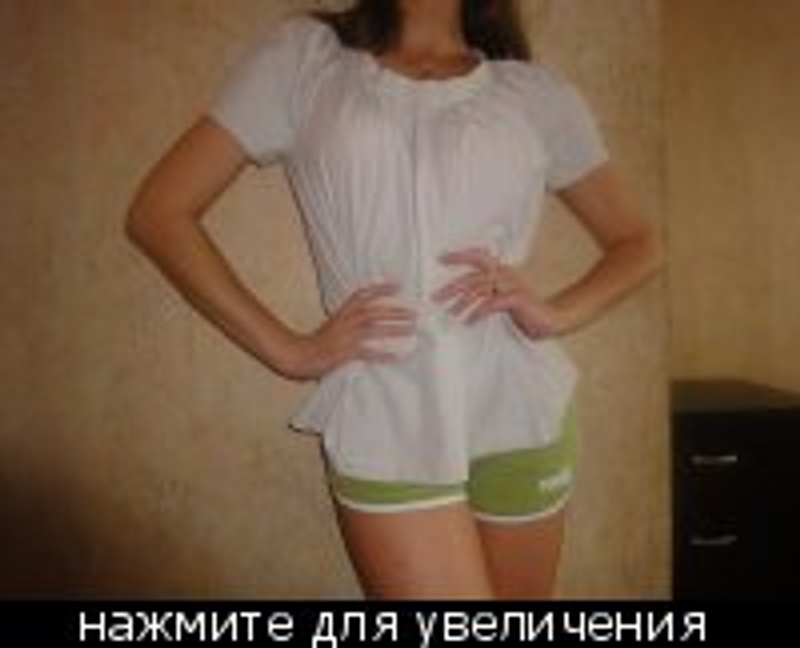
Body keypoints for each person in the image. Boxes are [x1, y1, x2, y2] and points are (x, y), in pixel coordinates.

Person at [126, 0, 662, 600]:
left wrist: (553, 314)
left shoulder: (533, 93)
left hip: (521, 406)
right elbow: (159, 213)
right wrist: (291, 352)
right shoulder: (306, 60)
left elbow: (639, 243)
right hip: (384, 409)